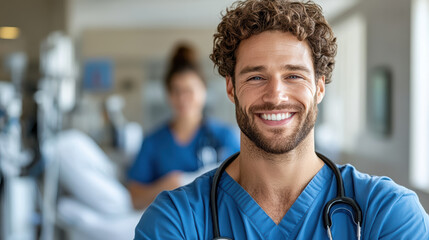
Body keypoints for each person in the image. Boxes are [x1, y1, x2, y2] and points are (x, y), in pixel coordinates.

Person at [134, 1, 429, 239]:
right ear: (230, 88)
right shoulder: (175, 221)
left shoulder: (387, 213)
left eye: (294, 76)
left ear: (320, 87)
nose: (275, 95)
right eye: (256, 77)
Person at [127, 44, 240, 210]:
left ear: (203, 91)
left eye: (189, 91)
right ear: (168, 95)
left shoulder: (224, 137)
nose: (182, 98)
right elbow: (134, 197)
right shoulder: (153, 142)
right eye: (176, 91)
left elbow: (245, 185)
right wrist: (167, 186)